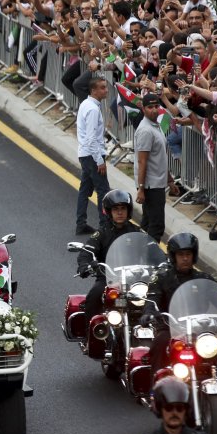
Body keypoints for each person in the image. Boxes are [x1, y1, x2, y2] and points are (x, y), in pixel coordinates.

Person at [142, 233, 215, 377]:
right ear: (173, 256)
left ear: (194, 256)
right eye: (181, 255)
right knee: (160, 343)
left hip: (199, 327)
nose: (185, 258)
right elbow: (152, 298)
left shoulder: (204, 279)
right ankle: (155, 387)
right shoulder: (162, 277)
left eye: (188, 254)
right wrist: (149, 312)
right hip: (170, 327)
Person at [77, 190, 142, 334]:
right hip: (108, 279)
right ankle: (91, 333)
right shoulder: (101, 233)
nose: (120, 213)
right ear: (109, 212)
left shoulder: (137, 233)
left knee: (154, 300)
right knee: (94, 295)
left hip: (134, 280)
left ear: (128, 210)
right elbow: (86, 252)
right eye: (116, 209)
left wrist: (164, 263)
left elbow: (151, 251)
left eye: (123, 209)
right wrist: (85, 265)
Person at [135, 94, 176, 242]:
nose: (154, 110)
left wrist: (170, 180)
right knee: (156, 225)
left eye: (156, 106)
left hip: (157, 182)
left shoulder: (155, 125)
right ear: (143, 108)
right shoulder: (146, 130)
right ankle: (150, 258)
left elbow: (159, 158)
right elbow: (142, 161)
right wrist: (141, 188)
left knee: (147, 223)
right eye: (150, 107)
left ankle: (141, 254)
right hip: (150, 185)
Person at [75, 76, 111, 235]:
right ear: (94, 90)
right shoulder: (93, 109)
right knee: (103, 191)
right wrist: (99, 161)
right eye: (103, 87)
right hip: (92, 156)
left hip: (85, 154)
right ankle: (105, 225)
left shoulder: (86, 104)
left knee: (84, 190)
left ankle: (80, 223)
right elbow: (91, 138)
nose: (106, 90)